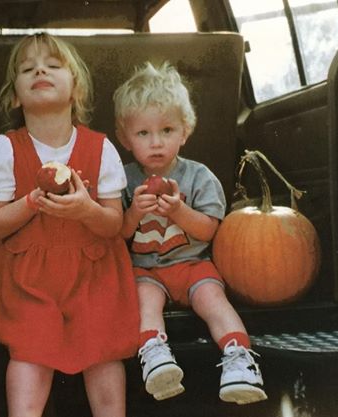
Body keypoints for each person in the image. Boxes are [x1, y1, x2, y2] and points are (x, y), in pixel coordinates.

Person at [0, 33, 139, 417]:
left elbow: (113, 223)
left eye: (52, 65)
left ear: (75, 89)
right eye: (27, 68)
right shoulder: (6, 147)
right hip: (27, 275)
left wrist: (85, 210)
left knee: (103, 349)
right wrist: (32, 201)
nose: (40, 71)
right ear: (15, 96)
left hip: (92, 270)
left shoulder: (101, 148)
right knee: (30, 351)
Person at [113, 62, 267, 405]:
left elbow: (210, 229)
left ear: (185, 132)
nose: (156, 142)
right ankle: (155, 356)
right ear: (125, 139)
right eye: (143, 134)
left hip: (193, 264)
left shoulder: (199, 176)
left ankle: (239, 360)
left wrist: (178, 211)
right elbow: (119, 233)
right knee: (144, 304)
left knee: (215, 301)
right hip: (146, 270)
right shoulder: (123, 180)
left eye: (167, 130)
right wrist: (135, 211)